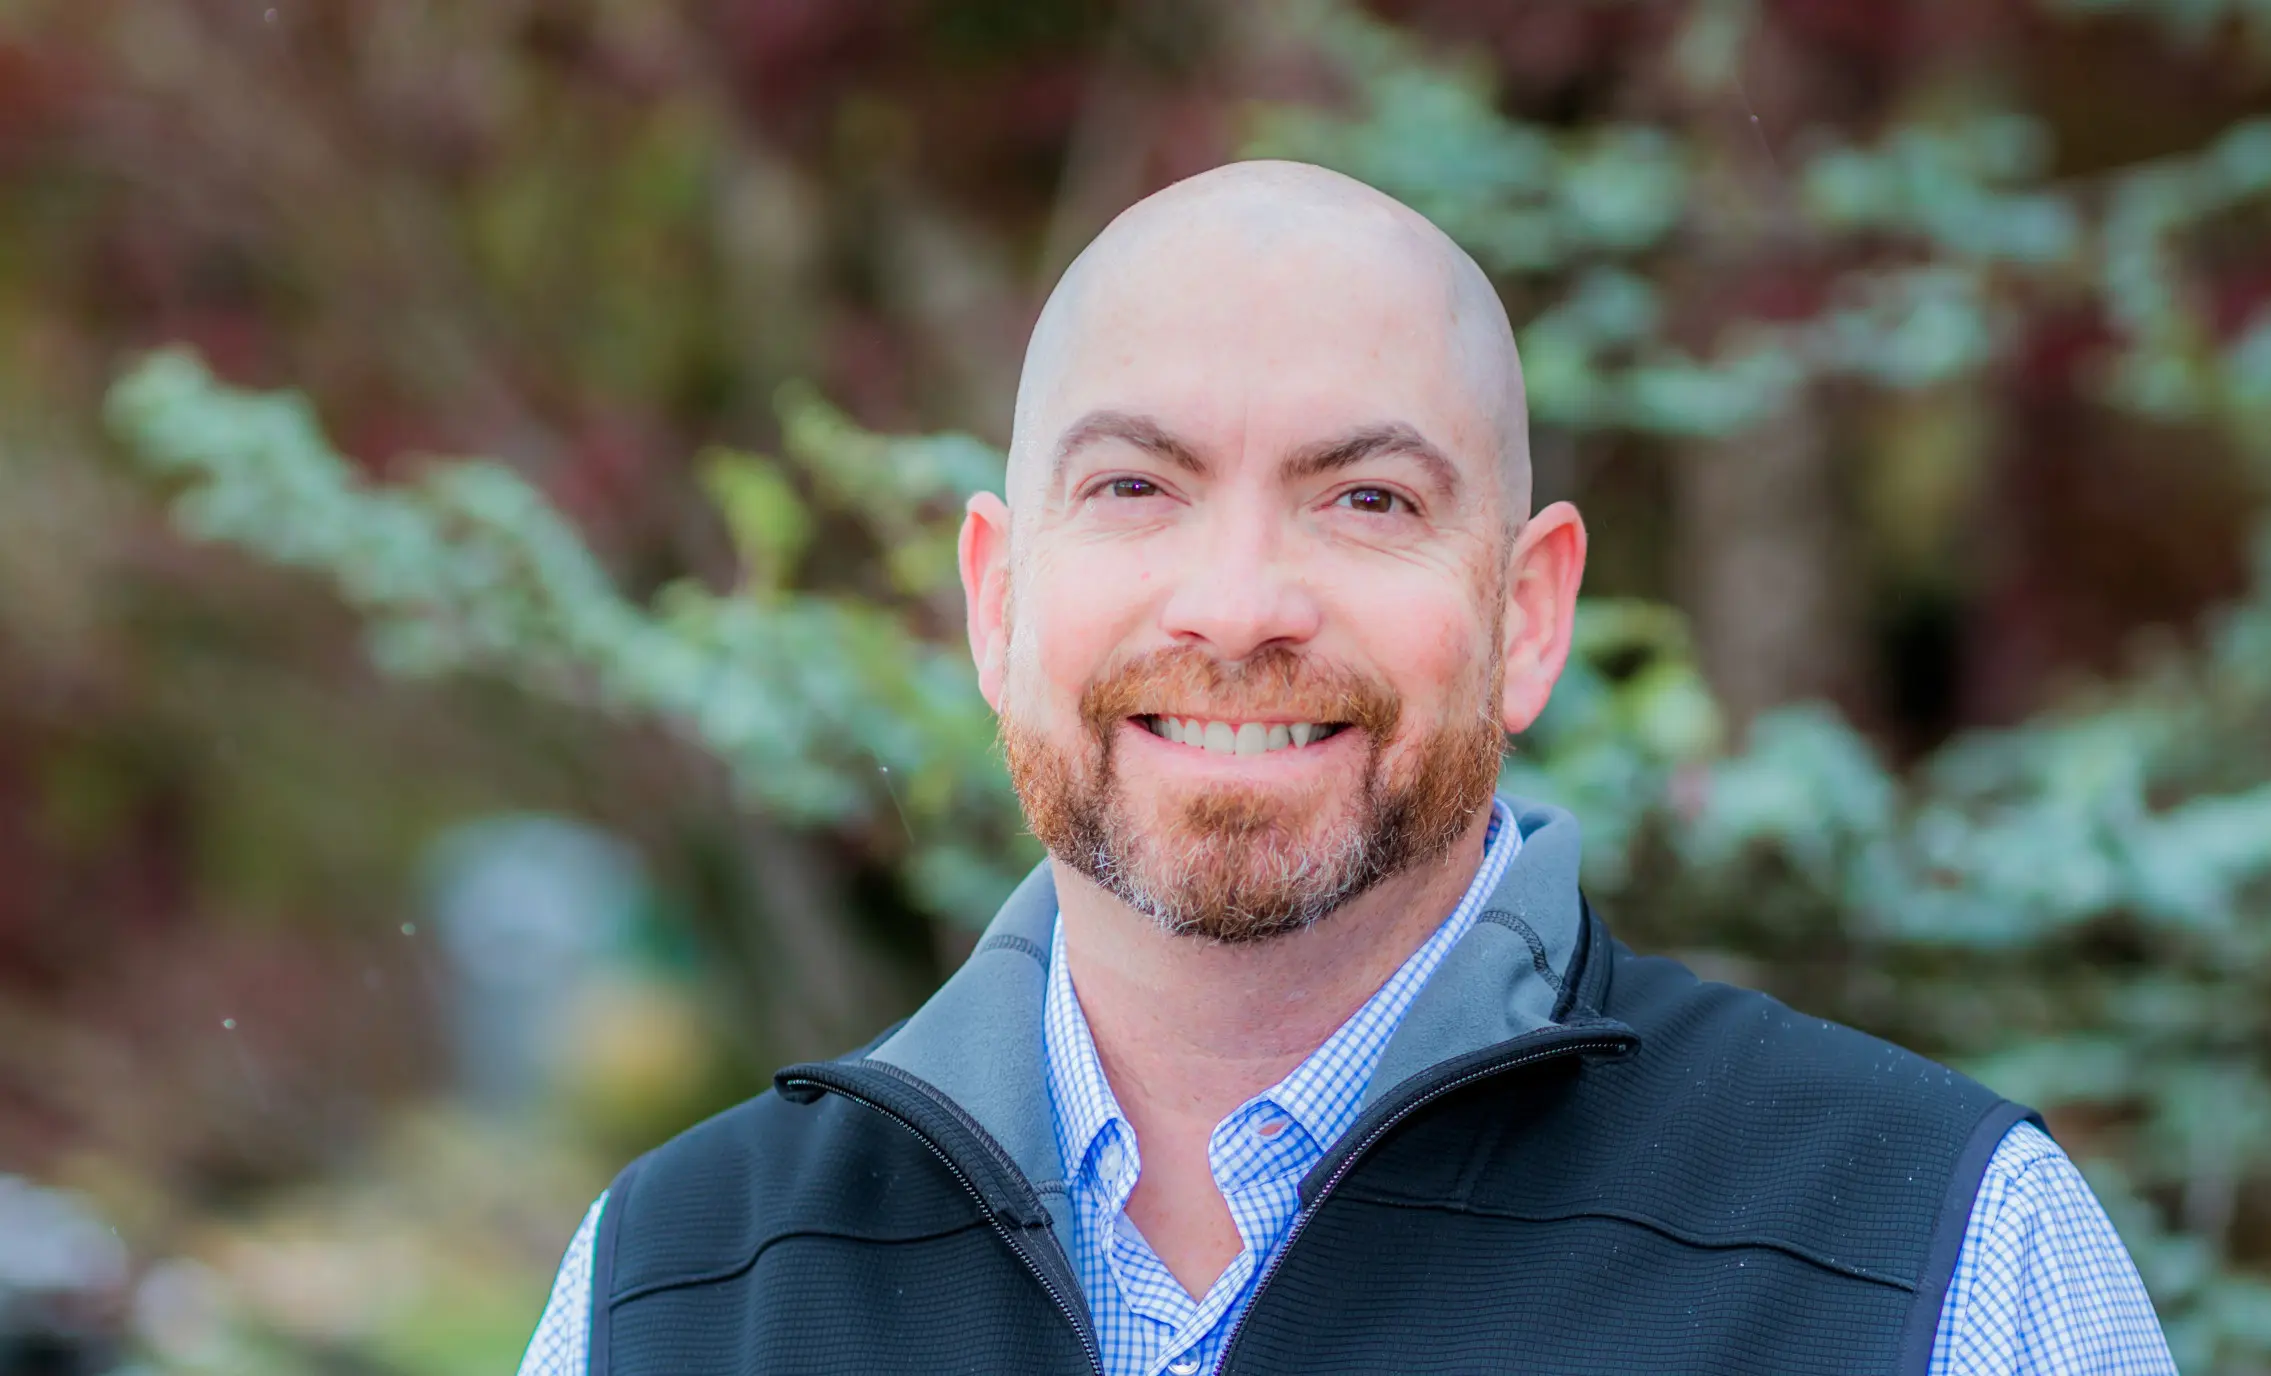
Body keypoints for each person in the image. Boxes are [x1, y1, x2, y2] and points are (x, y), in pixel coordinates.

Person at [515, 161, 2176, 1376]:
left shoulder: (1930, 1259)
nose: (1239, 606)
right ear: (998, 601)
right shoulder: (675, 1295)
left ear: (1527, 615)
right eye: (1136, 489)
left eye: (1366, 499)